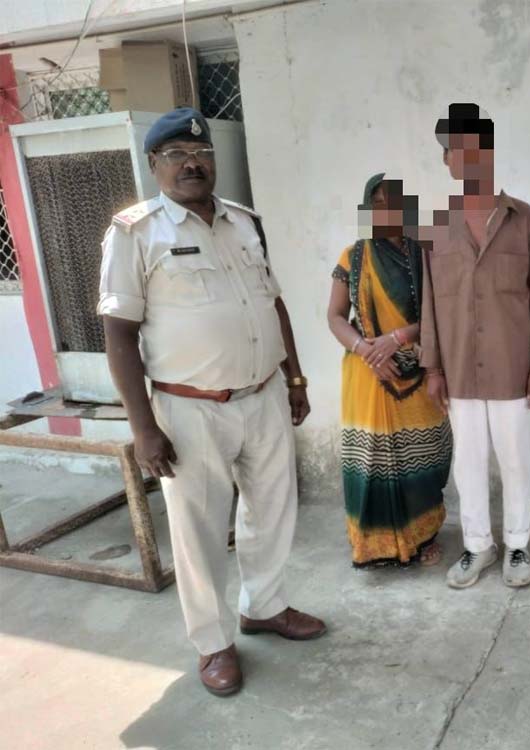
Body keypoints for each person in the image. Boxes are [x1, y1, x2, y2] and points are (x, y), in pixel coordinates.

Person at [98, 108, 326, 697]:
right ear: (154, 164)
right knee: (198, 530)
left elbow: (273, 304)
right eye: (176, 154)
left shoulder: (244, 222)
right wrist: (143, 427)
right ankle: (213, 642)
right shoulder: (135, 233)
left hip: (264, 394)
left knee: (273, 509)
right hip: (188, 408)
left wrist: (295, 379)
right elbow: (119, 335)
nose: (191, 163)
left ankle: (264, 607)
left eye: (200, 153)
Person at [420, 103, 530, 589]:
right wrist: (432, 368)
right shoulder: (437, 226)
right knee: (468, 464)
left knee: (515, 459)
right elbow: (430, 303)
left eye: (473, 147)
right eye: (454, 150)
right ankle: (478, 546)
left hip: (512, 368)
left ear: (489, 151)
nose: (464, 157)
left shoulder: (523, 220)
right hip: (459, 369)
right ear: (447, 161)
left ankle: (517, 544)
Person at [326, 174, 452, 567]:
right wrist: (367, 350)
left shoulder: (428, 250)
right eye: (378, 203)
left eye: (395, 201)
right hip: (369, 374)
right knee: (372, 462)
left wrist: (398, 337)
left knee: (427, 455)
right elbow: (335, 317)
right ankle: (374, 544)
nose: (387, 210)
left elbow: (445, 309)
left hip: (421, 366)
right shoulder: (353, 256)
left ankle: (425, 534)